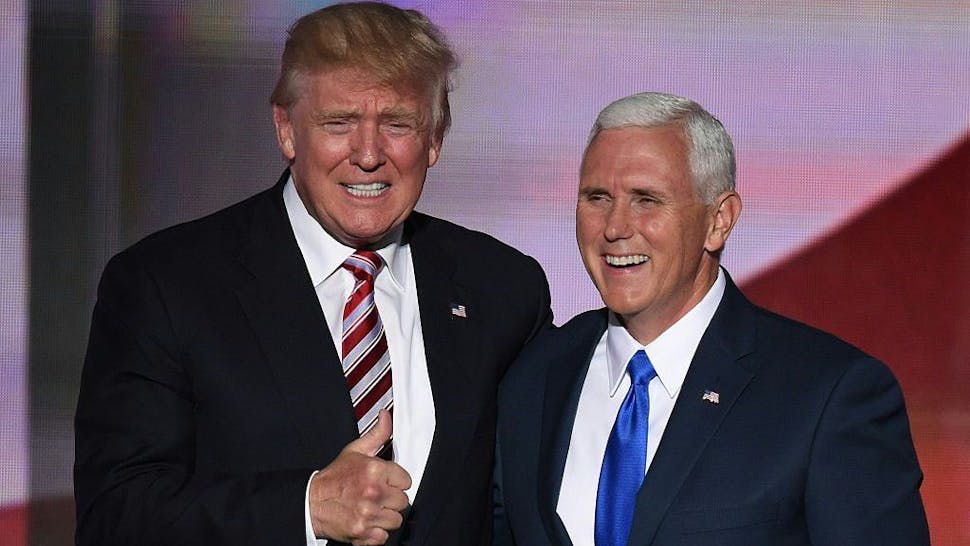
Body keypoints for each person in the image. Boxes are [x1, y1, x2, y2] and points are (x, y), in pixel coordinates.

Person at [74, 3, 552, 545]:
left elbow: (525, 508)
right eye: (339, 123)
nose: (368, 155)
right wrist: (306, 508)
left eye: (397, 124)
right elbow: (114, 517)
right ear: (287, 130)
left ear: (435, 138)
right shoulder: (164, 285)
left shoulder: (505, 289)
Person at [493, 92, 928, 545]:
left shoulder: (829, 395)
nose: (615, 227)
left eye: (647, 200)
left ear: (719, 220)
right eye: (597, 197)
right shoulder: (535, 375)